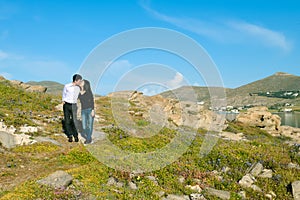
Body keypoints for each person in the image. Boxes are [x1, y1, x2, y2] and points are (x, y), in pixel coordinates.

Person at [62, 74, 82, 142]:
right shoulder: (67, 86)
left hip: (74, 105)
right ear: (75, 80)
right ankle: (70, 136)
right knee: (67, 121)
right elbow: (64, 94)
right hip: (67, 104)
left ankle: (75, 135)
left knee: (74, 120)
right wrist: (63, 101)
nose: (80, 82)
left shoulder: (79, 88)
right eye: (79, 81)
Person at [78, 79, 95, 144]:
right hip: (83, 111)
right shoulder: (79, 92)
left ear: (85, 84)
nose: (81, 82)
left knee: (90, 125)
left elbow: (92, 101)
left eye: (82, 82)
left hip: (90, 110)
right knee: (84, 126)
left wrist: (93, 110)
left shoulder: (89, 92)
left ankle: (88, 139)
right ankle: (89, 137)